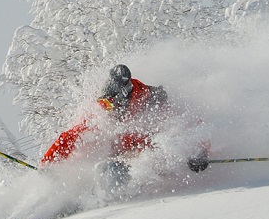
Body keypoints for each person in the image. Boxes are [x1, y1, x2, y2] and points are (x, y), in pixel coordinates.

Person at [41, 63, 210, 176]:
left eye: (113, 102)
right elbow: (68, 137)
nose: (110, 108)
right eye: (106, 103)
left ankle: (142, 175)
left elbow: (191, 123)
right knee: (93, 139)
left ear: (126, 96)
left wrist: (199, 152)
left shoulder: (149, 99)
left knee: (156, 142)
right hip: (112, 155)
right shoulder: (99, 116)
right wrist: (47, 165)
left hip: (142, 155)